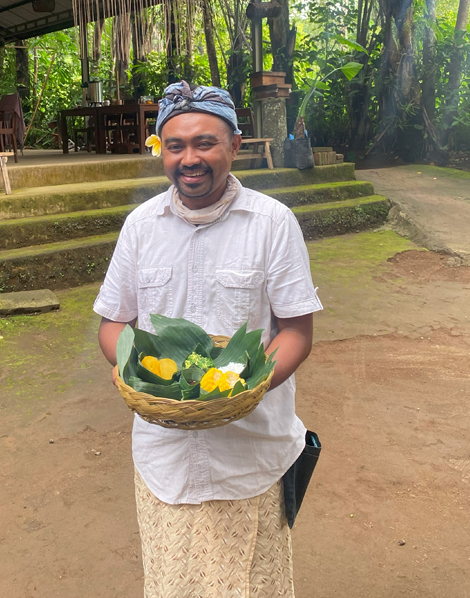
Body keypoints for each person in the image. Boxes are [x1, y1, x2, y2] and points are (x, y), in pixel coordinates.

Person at [94, 81, 322, 598]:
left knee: (252, 585)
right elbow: (113, 323)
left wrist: (247, 384)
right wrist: (138, 372)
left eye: (205, 143)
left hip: (252, 455)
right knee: (174, 584)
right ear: (161, 151)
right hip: (164, 456)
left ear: (235, 146)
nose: (189, 158)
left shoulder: (272, 224)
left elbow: (296, 331)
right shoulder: (140, 227)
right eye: (175, 146)